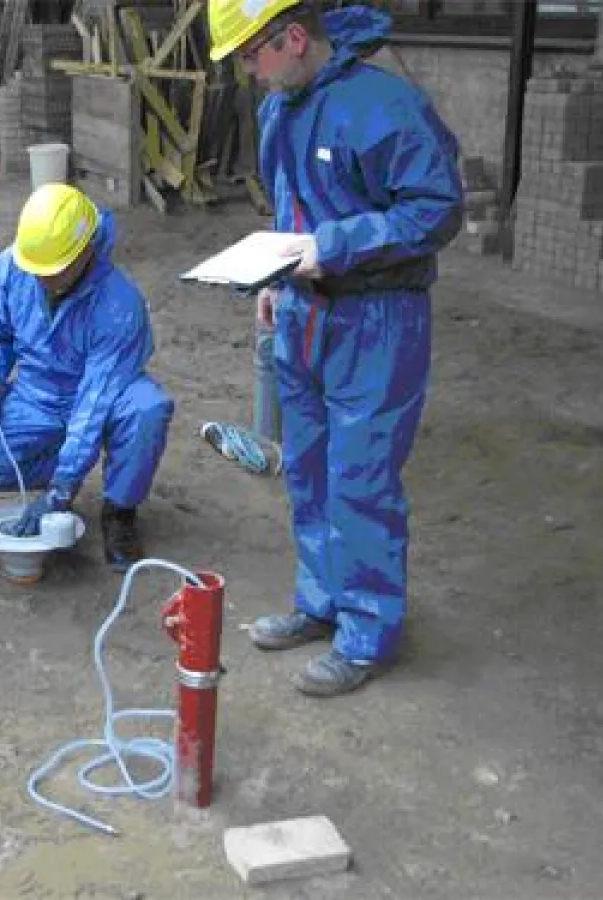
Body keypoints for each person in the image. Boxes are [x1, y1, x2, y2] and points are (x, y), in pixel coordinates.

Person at [208, 0, 464, 696]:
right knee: (309, 468)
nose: (248, 73)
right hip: (304, 311)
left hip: (377, 321)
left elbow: (435, 210)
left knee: (361, 480)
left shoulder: (388, 106)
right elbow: (292, 204)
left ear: (293, 39)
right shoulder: (281, 109)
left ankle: (368, 632)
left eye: (250, 56)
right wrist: (274, 274)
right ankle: (321, 602)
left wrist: (332, 248)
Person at [0, 184, 173, 572]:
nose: (41, 281)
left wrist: (60, 490)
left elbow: (94, 402)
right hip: (37, 393)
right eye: (33, 270)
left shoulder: (119, 304)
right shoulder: (12, 267)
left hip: (104, 393)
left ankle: (120, 511)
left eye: (52, 272)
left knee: (146, 410)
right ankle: (68, 463)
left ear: (86, 250)